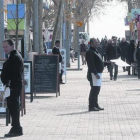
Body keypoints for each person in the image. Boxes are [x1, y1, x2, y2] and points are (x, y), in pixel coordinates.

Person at [1, 39, 23, 137]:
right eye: (3, 47)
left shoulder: (15, 57)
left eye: (6, 47)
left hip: (13, 87)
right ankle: (15, 128)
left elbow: (15, 73)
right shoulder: (12, 57)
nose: (4, 49)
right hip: (11, 86)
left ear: (12, 46)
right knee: (12, 107)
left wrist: (10, 84)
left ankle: (16, 128)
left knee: (14, 108)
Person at [86, 38, 107, 111]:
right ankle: (91, 106)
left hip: (98, 73)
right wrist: (95, 73)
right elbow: (91, 64)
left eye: (97, 42)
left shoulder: (96, 51)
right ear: (91, 43)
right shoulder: (90, 52)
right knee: (94, 90)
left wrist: (109, 63)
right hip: (93, 74)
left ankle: (96, 104)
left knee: (97, 90)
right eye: (96, 42)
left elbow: (100, 62)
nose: (97, 43)